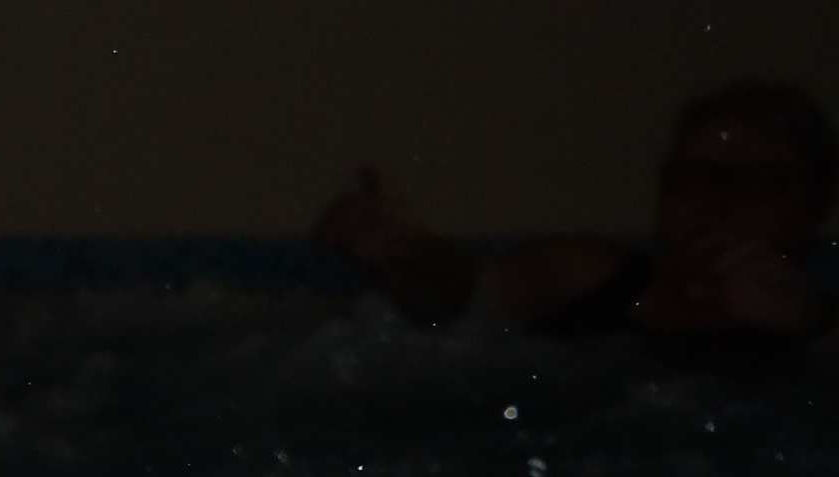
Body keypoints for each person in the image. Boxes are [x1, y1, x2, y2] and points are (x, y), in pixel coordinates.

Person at [315, 79, 837, 344]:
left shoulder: (819, 334)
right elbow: (463, 295)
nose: (716, 202)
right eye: (695, 180)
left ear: (812, 206)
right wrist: (402, 254)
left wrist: (799, 335)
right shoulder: (583, 280)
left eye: (753, 185)